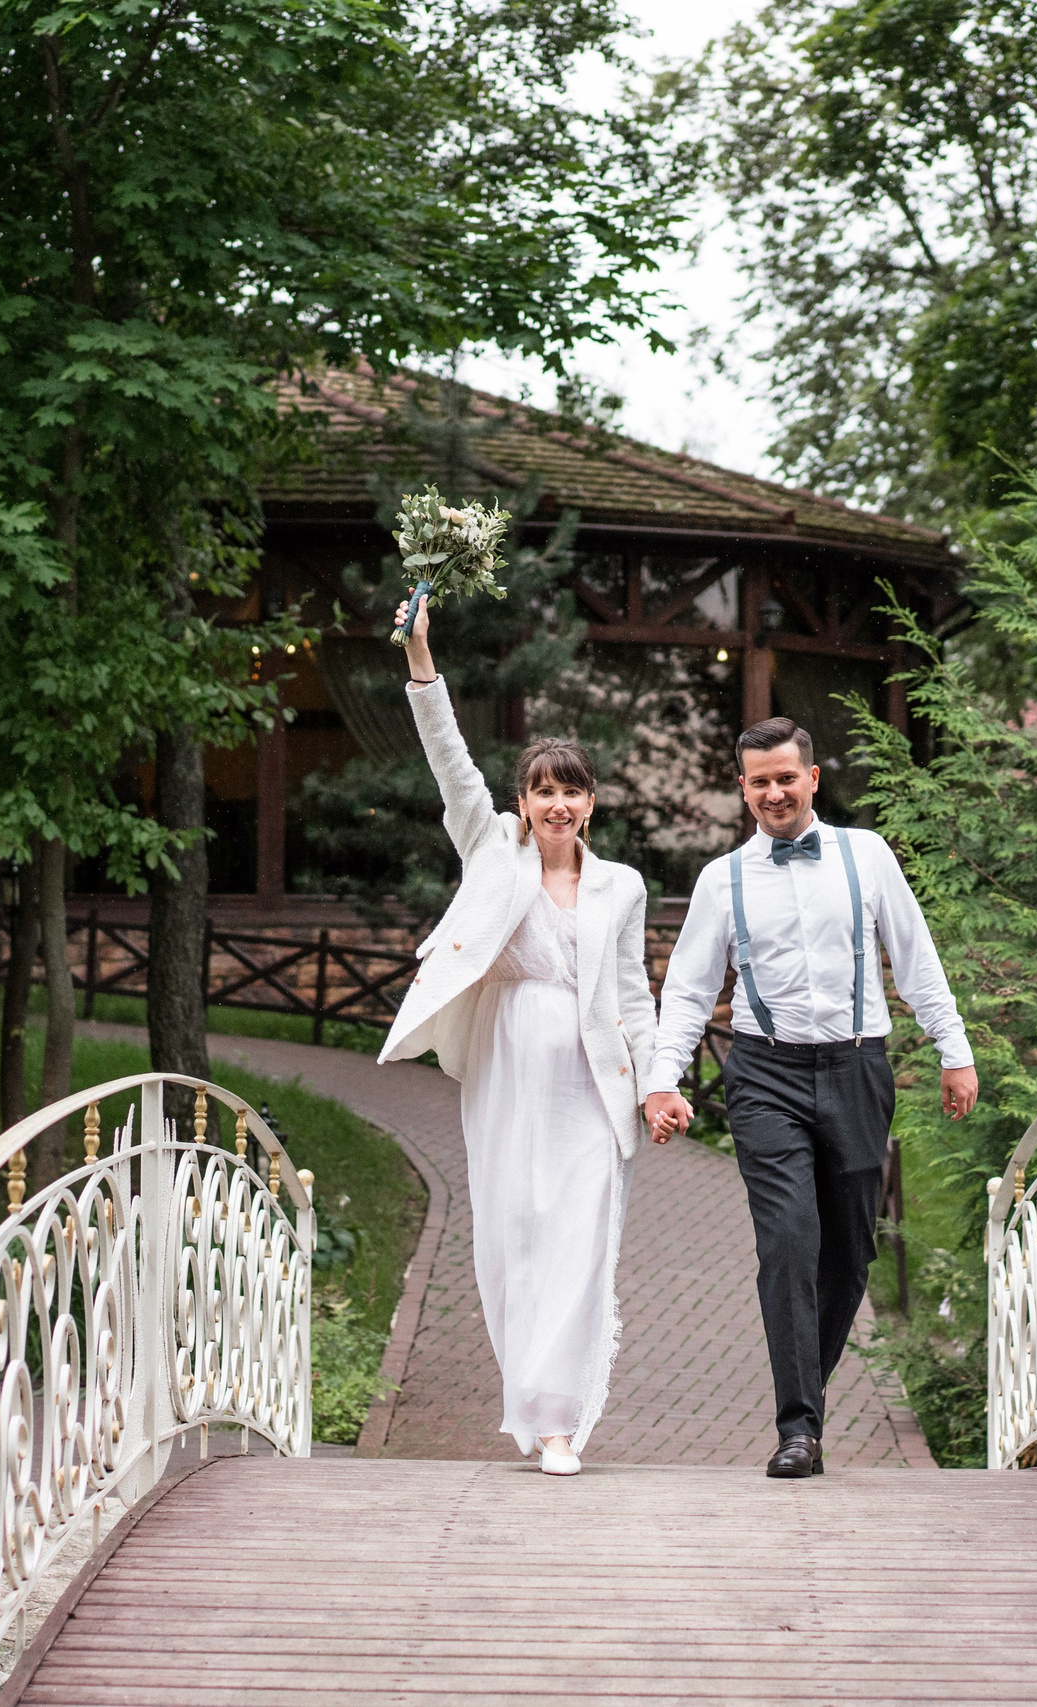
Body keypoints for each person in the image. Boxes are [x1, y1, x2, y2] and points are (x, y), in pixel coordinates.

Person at [643, 720, 979, 1478]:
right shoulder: (722, 880)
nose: (773, 792)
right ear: (743, 789)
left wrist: (954, 1050)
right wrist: (663, 1079)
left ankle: (807, 1392)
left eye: (785, 778)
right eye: (758, 781)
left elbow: (915, 957)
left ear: (814, 777)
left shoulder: (867, 856)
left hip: (859, 1066)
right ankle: (799, 1425)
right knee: (789, 1237)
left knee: (851, 1251)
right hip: (765, 1074)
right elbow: (690, 991)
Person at [375, 590, 659, 1476]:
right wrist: (422, 658)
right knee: (512, 1231)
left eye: (572, 789)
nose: (557, 804)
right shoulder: (493, 853)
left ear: (592, 800)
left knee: (579, 1233)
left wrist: (655, 1083)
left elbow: (632, 995)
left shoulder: (623, 887)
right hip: (505, 1063)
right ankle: (529, 1405)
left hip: (589, 1077)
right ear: (524, 800)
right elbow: (450, 764)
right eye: (544, 789)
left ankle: (561, 1422)